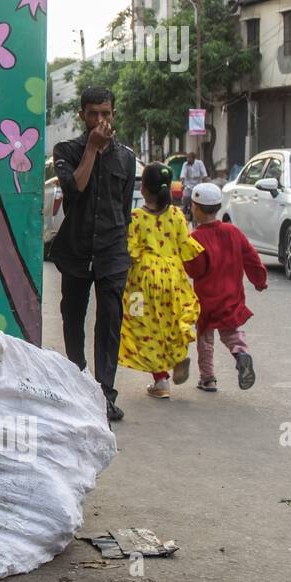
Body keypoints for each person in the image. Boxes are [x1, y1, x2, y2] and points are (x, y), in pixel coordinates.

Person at [51, 87, 137, 421]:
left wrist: (121, 246)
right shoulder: (67, 150)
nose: (100, 120)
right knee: (73, 317)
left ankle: (104, 394)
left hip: (112, 252)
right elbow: (75, 188)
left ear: (113, 114)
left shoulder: (126, 157)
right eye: (93, 114)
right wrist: (91, 149)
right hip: (76, 251)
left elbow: (124, 208)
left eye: (105, 113)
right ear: (82, 116)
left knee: (110, 321)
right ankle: (77, 381)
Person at [118, 163, 204, 399]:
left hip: (141, 283)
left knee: (142, 326)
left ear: (143, 189)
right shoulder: (177, 215)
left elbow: (130, 252)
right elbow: (186, 247)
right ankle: (177, 356)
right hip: (173, 278)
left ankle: (161, 380)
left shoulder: (135, 217)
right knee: (173, 319)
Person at [183, 182, 267, 391]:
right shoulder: (233, 232)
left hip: (206, 299)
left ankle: (208, 378)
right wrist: (259, 280)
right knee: (230, 332)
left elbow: (194, 270)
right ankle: (241, 352)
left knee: (205, 338)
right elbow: (252, 258)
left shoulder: (195, 238)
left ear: (195, 208)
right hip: (231, 295)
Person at [179, 149, 208, 216]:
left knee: (200, 200)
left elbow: (204, 175)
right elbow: (183, 175)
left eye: (189, 158)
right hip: (188, 185)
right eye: (187, 158)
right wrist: (182, 183)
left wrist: (205, 184)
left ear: (193, 158)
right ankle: (184, 211)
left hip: (198, 185)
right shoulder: (185, 164)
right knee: (186, 197)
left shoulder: (199, 163)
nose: (188, 159)